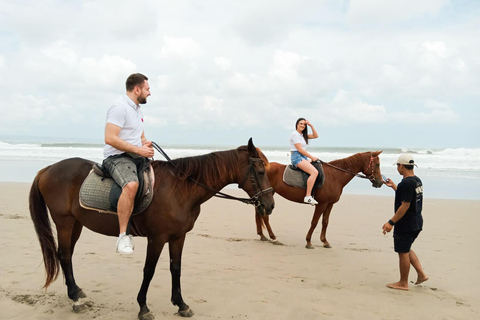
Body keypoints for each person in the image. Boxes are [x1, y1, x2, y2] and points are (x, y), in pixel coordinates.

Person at [103, 73, 155, 254]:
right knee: (132, 185)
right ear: (137, 89)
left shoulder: (137, 109)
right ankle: (123, 236)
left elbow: (139, 136)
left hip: (135, 156)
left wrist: (145, 144)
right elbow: (109, 138)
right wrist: (138, 150)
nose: (150, 92)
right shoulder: (119, 107)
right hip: (117, 157)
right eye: (147, 89)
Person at [382, 154, 428, 290]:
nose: (397, 168)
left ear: (401, 166)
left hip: (406, 223)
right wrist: (394, 187)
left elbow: (405, 205)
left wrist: (391, 222)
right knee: (406, 249)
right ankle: (421, 274)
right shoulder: (416, 181)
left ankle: (403, 282)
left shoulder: (406, 183)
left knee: (403, 252)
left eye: (397, 165)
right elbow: (409, 197)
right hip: (417, 221)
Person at [289, 118, 319, 205]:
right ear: (297, 125)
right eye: (300, 124)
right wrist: (312, 157)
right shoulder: (294, 134)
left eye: (304, 124)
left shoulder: (302, 135)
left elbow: (316, 136)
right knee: (314, 172)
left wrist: (311, 126)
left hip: (303, 157)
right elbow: (299, 149)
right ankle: (308, 196)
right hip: (297, 157)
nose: (302, 125)